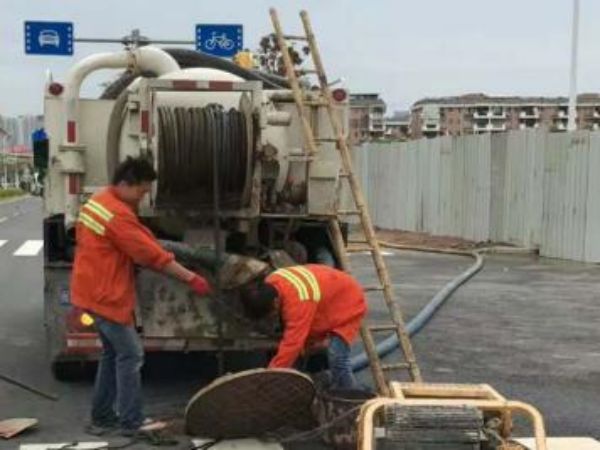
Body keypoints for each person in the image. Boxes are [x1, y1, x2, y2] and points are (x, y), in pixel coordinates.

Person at [70, 156, 212, 436]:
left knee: (113, 354)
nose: (144, 196)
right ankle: (131, 421)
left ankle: (102, 417)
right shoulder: (117, 215)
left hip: (89, 289)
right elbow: (152, 256)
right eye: (142, 190)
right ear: (125, 184)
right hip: (106, 295)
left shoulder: (98, 202)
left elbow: (132, 237)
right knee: (131, 354)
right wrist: (192, 278)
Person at [241, 264, 367, 389]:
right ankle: (331, 382)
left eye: (270, 313)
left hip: (348, 301)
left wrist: (270, 376)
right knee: (306, 346)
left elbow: (292, 344)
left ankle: (350, 393)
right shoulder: (271, 281)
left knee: (338, 357)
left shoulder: (298, 301)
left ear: (275, 302)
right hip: (328, 297)